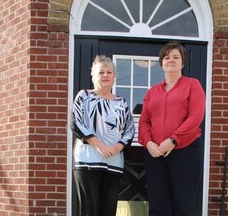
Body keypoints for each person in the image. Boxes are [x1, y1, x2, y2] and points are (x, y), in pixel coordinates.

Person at [138, 41, 205, 216]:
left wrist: (174, 140)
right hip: (156, 154)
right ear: (161, 63)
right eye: (167, 57)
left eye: (176, 57)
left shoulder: (193, 85)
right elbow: (144, 121)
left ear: (182, 62)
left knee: (183, 204)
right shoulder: (152, 92)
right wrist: (148, 143)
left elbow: (196, 116)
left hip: (185, 151)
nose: (171, 60)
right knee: (158, 205)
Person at [71, 55, 135, 216]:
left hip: (113, 161)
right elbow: (75, 123)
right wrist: (101, 146)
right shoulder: (84, 96)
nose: (105, 75)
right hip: (87, 161)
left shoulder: (122, 102)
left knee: (108, 210)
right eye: (101, 72)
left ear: (114, 77)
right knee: (89, 210)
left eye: (109, 72)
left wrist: (116, 147)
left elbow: (130, 130)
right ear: (93, 76)